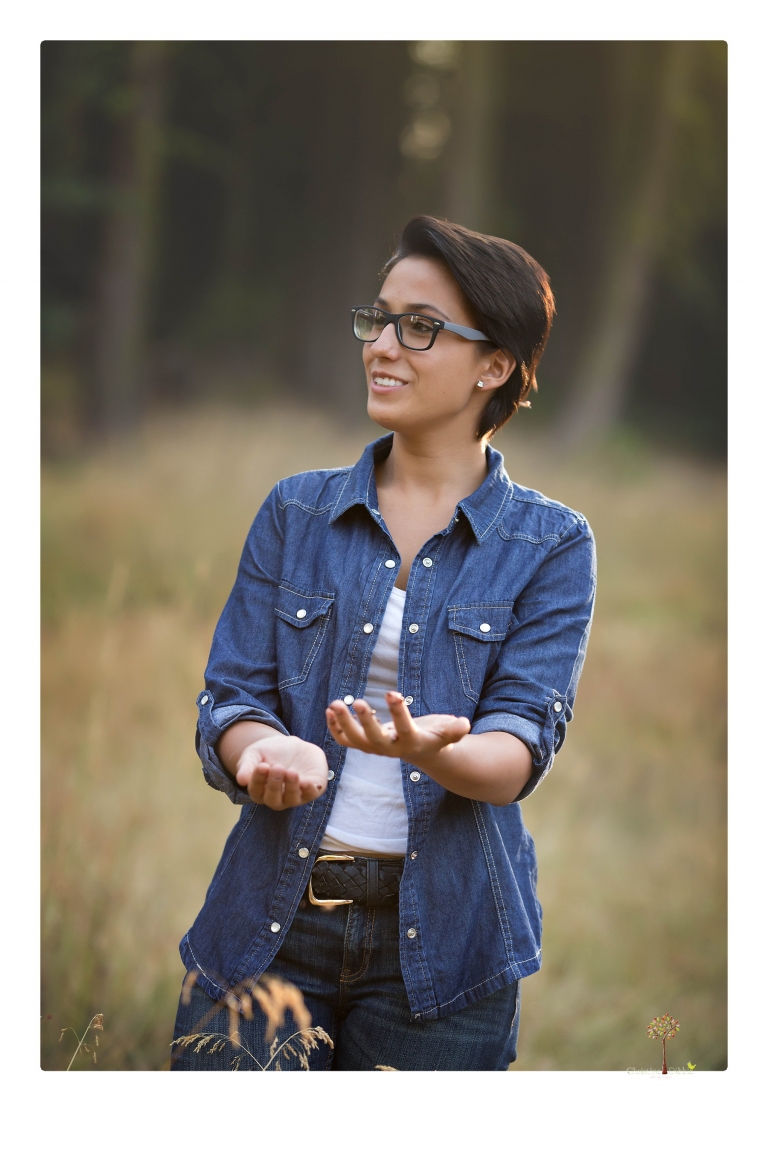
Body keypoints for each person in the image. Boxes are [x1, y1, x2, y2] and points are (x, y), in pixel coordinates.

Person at [170, 215, 596, 1071]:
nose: (384, 346)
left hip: (446, 954)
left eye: (421, 327)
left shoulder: (552, 544)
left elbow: (518, 749)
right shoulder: (296, 511)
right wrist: (264, 753)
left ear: (495, 365)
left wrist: (432, 752)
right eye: (381, 319)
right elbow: (232, 698)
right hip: (268, 927)